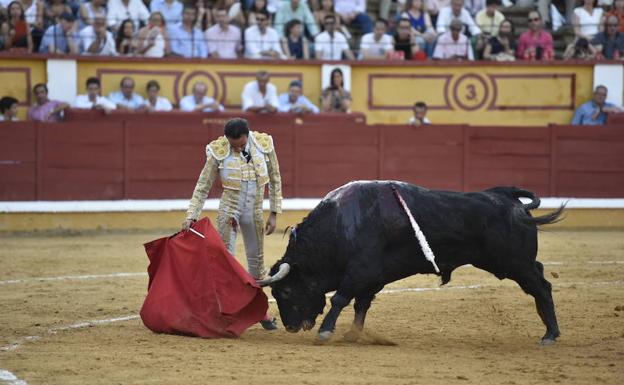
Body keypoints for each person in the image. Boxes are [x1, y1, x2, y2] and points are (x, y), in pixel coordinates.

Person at [181, 117, 282, 330]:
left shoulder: (263, 144)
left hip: (254, 209)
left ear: (248, 135)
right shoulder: (218, 150)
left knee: (257, 261)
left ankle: (260, 311)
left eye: (242, 145)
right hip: (229, 210)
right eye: (234, 145)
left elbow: (274, 179)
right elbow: (203, 185)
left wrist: (274, 212)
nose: (238, 148)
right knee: (225, 259)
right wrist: (192, 214)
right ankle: (225, 309)